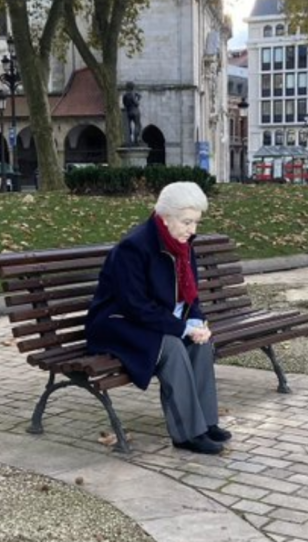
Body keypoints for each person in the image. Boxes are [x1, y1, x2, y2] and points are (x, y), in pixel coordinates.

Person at [85, 182, 231, 455]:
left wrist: (196, 322)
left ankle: (206, 423)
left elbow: (191, 295)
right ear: (164, 217)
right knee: (173, 346)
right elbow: (135, 306)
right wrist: (180, 329)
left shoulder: (182, 243)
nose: (193, 230)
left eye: (196, 222)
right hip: (116, 324)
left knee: (200, 344)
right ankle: (187, 434)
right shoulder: (134, 247)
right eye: (187, 222)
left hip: (152, 321)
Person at [122, 82, 142, 146]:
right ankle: (135, 140)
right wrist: (138, 98)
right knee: (137, 125)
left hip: (128, 112)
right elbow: (136, 103)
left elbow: (124, 103)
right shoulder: (133, 94)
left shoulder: (125, 95)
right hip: (135, 111)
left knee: (129, 126)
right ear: (133, 87)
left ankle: (129, 140)